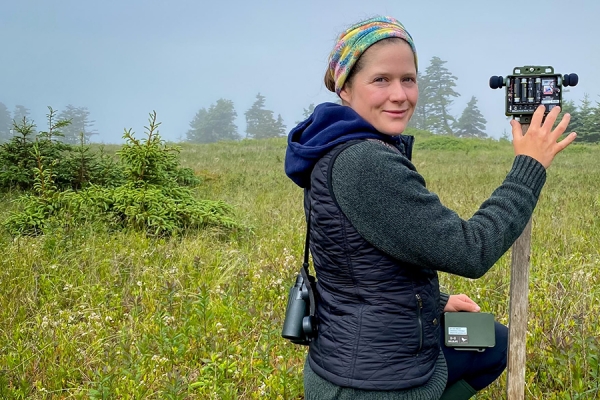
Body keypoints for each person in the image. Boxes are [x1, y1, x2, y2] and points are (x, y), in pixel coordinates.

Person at [284, 16, 576, 400]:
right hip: (374, 383)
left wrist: (435, 302)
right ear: (345, 88)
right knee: (492, 343)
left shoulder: (338, 145)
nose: (400, 94)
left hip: (358, 355)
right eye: (381, 80)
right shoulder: (364, 162)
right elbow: (471, 251)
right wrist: (529, 167)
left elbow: (358, 263)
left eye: (409, 79)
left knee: (493, 340)